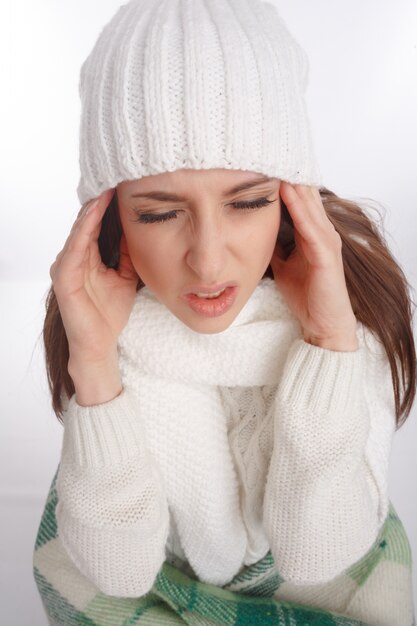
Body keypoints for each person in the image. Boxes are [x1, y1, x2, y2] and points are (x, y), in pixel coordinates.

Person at [33, 0, 416, 624]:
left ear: (293, 201)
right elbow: (119, 573)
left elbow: (319, 556)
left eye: (248, 202)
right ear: (109, 218)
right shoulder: (104, 327)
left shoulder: (351, 312)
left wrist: (328, 341)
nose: (208, 262)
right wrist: (97, 367)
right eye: (159, 213)